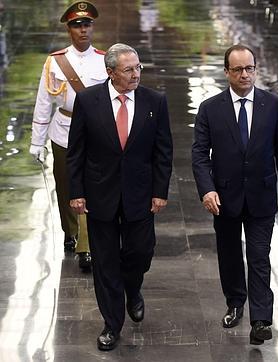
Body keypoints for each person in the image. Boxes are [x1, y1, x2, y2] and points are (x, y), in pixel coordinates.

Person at [66, 43, 173, 351]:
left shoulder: (156, 101)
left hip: (140, 194)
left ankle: (133, 288)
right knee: (105, 262)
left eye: (138, 68)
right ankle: (112, 324)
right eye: (129, 70)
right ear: (110, 72)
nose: (136, 74)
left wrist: (160, 191)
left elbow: (163, 152)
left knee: (140, 253)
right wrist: (76, 192)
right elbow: (76, 152)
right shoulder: (88, 101)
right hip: (101, 193)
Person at [191, 44, 278, 345]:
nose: (244, 74)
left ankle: (261, 320)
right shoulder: (210, 108)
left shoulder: (272, 104)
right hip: (223, 196)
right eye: (237, 69)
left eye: (249, 68)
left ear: (255, 69)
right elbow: (200, 154)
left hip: (262, 195)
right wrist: (207, 189)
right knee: (230, 254)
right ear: (226, 72)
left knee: (259, 256)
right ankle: (235, 301)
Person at [29, 1, 106, 272]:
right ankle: (70, 231)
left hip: (95, 133)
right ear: (69, 29)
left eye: (87, 24)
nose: (83, 30)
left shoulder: (105, 59)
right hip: (63, 130)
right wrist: (36, 141)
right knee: (65, 186)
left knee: (90, 187)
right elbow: (43, 101)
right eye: (77, 25)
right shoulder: (56, 61)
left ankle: (85, 245)